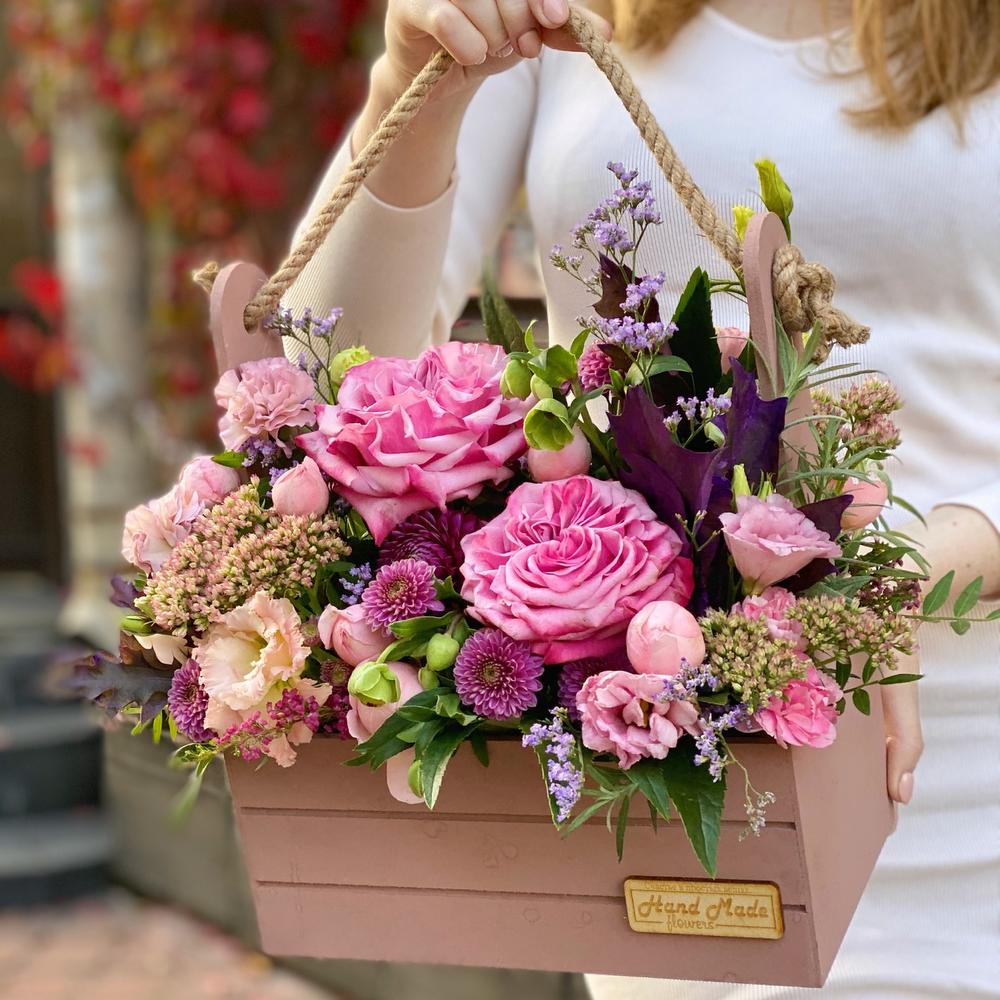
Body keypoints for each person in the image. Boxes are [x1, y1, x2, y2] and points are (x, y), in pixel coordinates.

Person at [280, 0, 1000, 995]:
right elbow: (320, 374)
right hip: (654, 768)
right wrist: (414, 87)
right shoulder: (564, 13)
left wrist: (909, 569)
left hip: (961, 771)